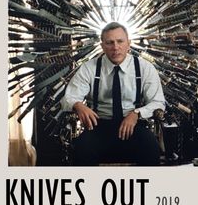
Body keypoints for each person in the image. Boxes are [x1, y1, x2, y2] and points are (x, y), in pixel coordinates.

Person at [62, 22, 165, 165]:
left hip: (133, 125)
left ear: (128, 43)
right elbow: (68, 98)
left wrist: (136, 114)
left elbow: (158, 102)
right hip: (99, 126)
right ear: (102, 45)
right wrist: (78, 105)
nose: (115, 47)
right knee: (82, 150)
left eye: (120, 41)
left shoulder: (145, 68)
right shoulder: (89, 68)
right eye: (110, 43)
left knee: (150, 147)